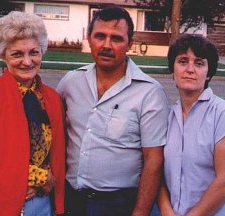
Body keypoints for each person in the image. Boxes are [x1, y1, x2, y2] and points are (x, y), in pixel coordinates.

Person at [56, 5, 170, 216]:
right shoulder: (70, 83)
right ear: (89, 38)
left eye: (116, 39)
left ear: (130, 44)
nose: (106, 45)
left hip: (119, 205)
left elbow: (154, 160)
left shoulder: (149, 93)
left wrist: (140, 211)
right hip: (72, 201)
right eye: (100, 36)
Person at [0, 11, 65, 215]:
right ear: (3, 55)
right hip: (4, 205)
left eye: (33, 52)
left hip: (45, 204)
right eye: (17, 54)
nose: (27, 62)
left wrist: (50, 182)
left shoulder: (52, 98)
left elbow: (58, 156)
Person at [158, 34, 225, 216]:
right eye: (182, 61)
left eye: (199, 63)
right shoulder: (167, 116)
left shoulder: (224, 115)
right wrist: (166, 211)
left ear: (209, 73)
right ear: (173, 69)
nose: (190, 69)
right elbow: (159, 174)